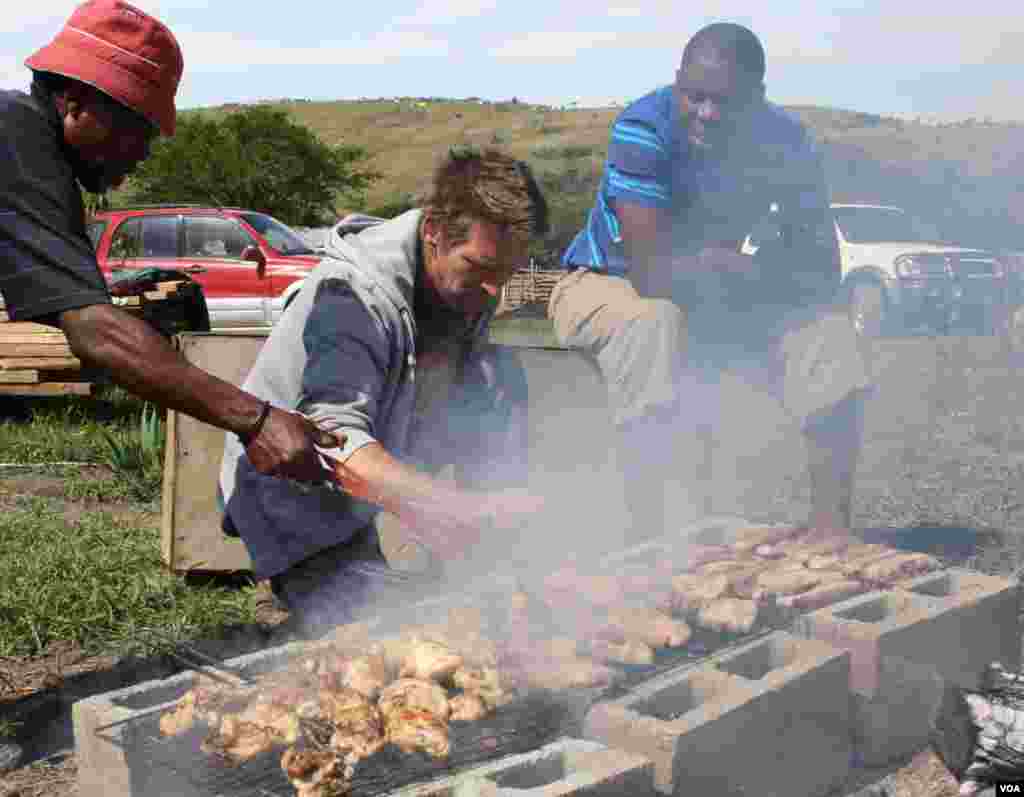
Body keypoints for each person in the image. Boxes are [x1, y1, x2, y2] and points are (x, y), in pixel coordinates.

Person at [549, 23, 872, 540]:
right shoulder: (644, 127)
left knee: (827, 336)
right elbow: (651, 273)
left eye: (725, 101)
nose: (707, 113)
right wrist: (741, 269)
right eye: (694, 96)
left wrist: (743, 274)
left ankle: (831, 536)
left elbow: (819, 268)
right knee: (653, 321)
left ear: (758, 97)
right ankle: (647, 541)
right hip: (607, 279)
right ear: (676, 82)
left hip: (722, 286)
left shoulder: (787, 142)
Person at [0, 0, 337, 482]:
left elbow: (78, 310)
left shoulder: (24, 143)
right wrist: (256, 421)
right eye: (138, 130)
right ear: (76, 102)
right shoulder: (17, 138)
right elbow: (94, 330)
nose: (142, 154)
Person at [219, 147, 551, 636]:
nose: (491, 293)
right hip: (286, 487)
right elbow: (337, 439)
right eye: (480, 269)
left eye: (504, 276)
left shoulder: (463, 282)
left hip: (357, 496)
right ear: (435, 230)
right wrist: (455, 510)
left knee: (410, 620)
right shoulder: (352, 295)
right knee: (365, 638)